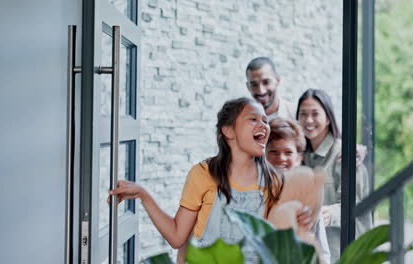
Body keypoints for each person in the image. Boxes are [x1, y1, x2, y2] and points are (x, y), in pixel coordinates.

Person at [110, 97, 312, 263]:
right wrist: (144, 195)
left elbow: (275, 246)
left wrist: (301, 221)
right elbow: (176, 236)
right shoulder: (203, 173)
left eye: (265, 120)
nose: (263, 125)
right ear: (228, 131)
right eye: (253, 119)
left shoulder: (274, 181)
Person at [296, 89, 373, 263]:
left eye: (315, 114)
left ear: (328, 118)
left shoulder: (346, 155)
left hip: (345, 255)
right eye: (303, 114)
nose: (308, 120)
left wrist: (329, 214)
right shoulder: (298, 157)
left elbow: (358, 203)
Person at [266, 117, 331, 264]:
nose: (281, 158)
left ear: (298, 158)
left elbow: (323, 251)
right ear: (263, 156)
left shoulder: (309, 200)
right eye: (273, 151)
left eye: (288, 152)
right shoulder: (258, 194)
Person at [245, 57, 297, 121]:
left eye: (266, 82)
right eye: (254, 85)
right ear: (248, 87)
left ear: (277, 80)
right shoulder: (242, 119)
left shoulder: (296, 115)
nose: (261, 91)